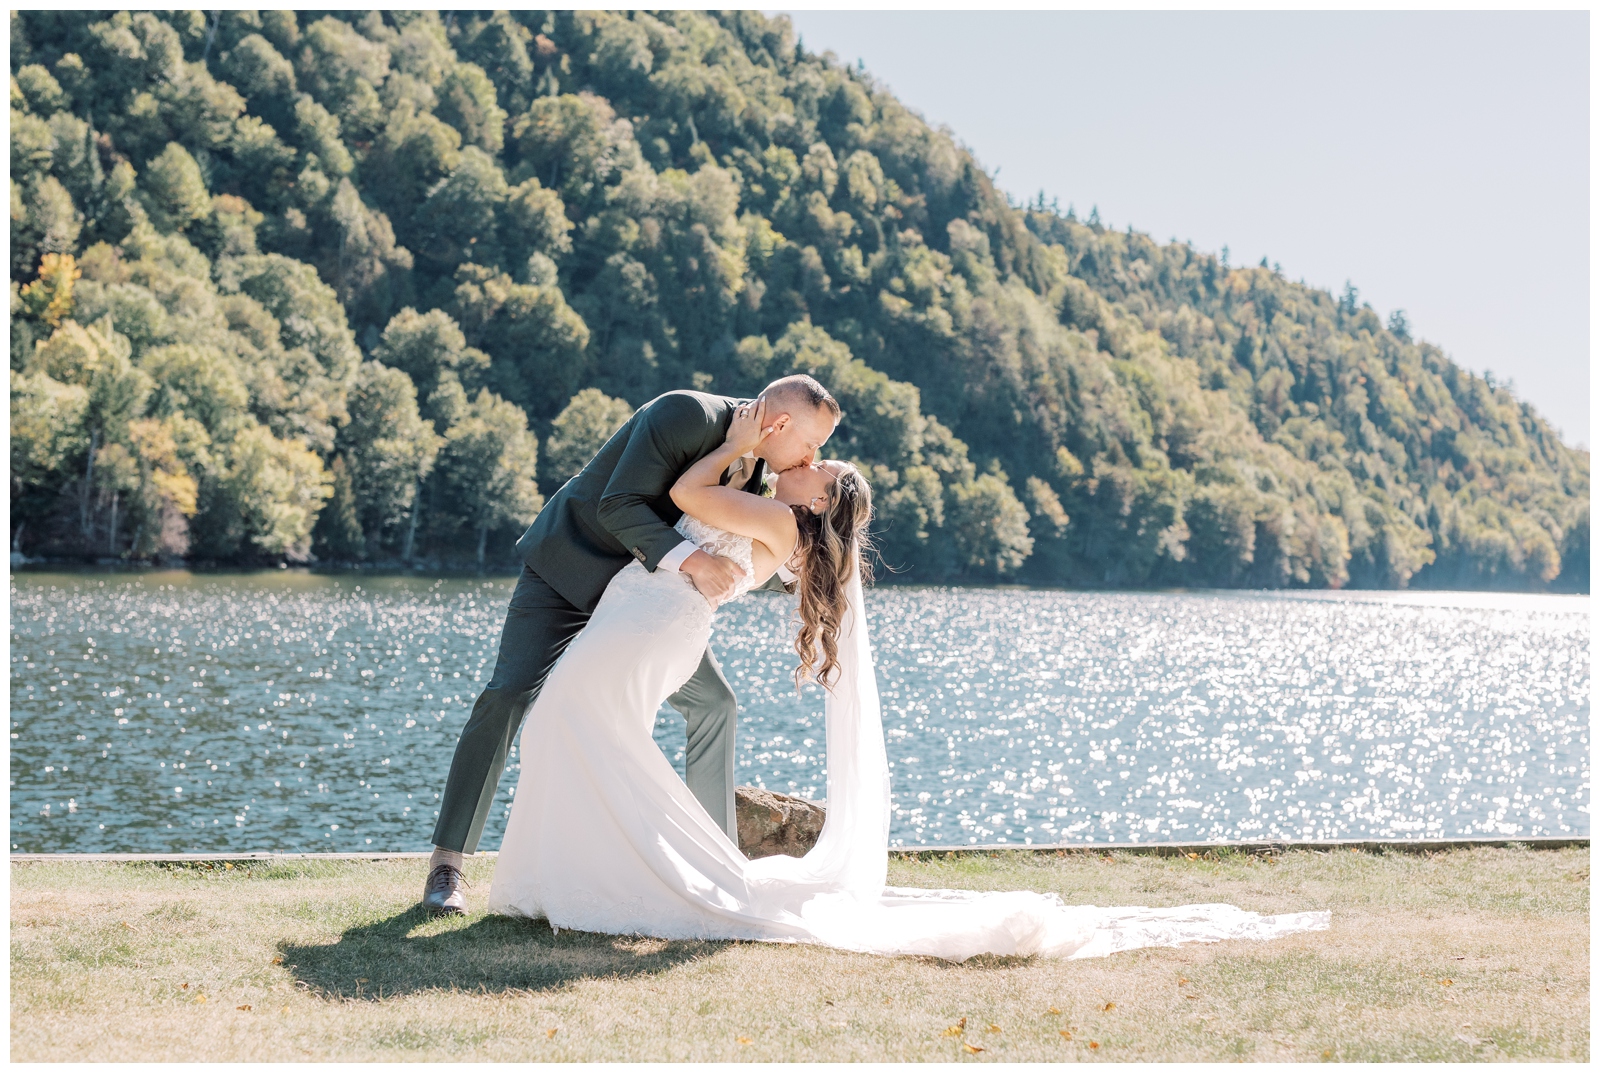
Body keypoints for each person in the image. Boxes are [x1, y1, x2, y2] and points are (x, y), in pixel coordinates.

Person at [486, 399, 1331, 961]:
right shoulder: (788, 522)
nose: (810, 458)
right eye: (811, 450)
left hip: (650, 624)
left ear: (818, 500)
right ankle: (569, 873)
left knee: (566, 722)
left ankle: (606, 876)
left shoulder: (776, 515)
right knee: (578, 730)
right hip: (654, 623)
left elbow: (680, 489)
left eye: (817, 463)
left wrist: (743, 442)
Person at [422, 377, 841, 914]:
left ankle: (714, 865)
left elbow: (744, 534)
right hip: (568, 572)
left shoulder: (760, 466)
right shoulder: (685, 414)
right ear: (780, 424)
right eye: (812, 444)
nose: (813, 456)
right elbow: (616, 505)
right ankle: (447, 864)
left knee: (715, 705)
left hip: (640, 608)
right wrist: (695, 562)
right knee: (509, 694)